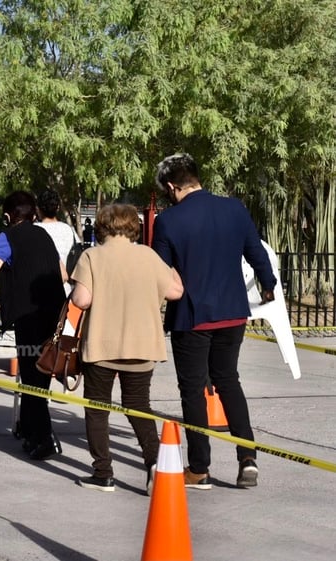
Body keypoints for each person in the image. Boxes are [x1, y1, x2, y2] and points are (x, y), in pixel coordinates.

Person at [152, 152, 277, 489]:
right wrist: (268, 285)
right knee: (228, 381)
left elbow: (161, 274)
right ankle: (247, 457)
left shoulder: (168, 221)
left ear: (171, 186)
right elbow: (257, 252)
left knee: (192, 392)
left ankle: (199, 467)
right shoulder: (234, 209)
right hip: (232, 312)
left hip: (191, 317)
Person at [70, 204, 183, 492]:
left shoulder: (92, 256)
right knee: (138, 406)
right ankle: (154, 463)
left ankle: (103, 473)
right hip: (142, 345)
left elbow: (81, 301)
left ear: (103, 226)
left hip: (102, 346)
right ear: (134, 227)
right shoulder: (148, 256)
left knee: (97, 409)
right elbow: (175, 292)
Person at [0, 190, 66, 460]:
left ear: (8, 216)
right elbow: (63, 273)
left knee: (31, 377)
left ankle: (44, 438)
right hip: (53, 314)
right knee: (39, 374)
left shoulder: (7, 237)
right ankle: (30, 430)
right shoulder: (45, 235)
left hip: (28, 315)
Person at [36, 189, 80, 294]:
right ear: (58, 208)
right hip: (64, 290)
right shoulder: (69, 230)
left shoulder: (34, 230)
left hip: (38, 290)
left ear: (38, 209)